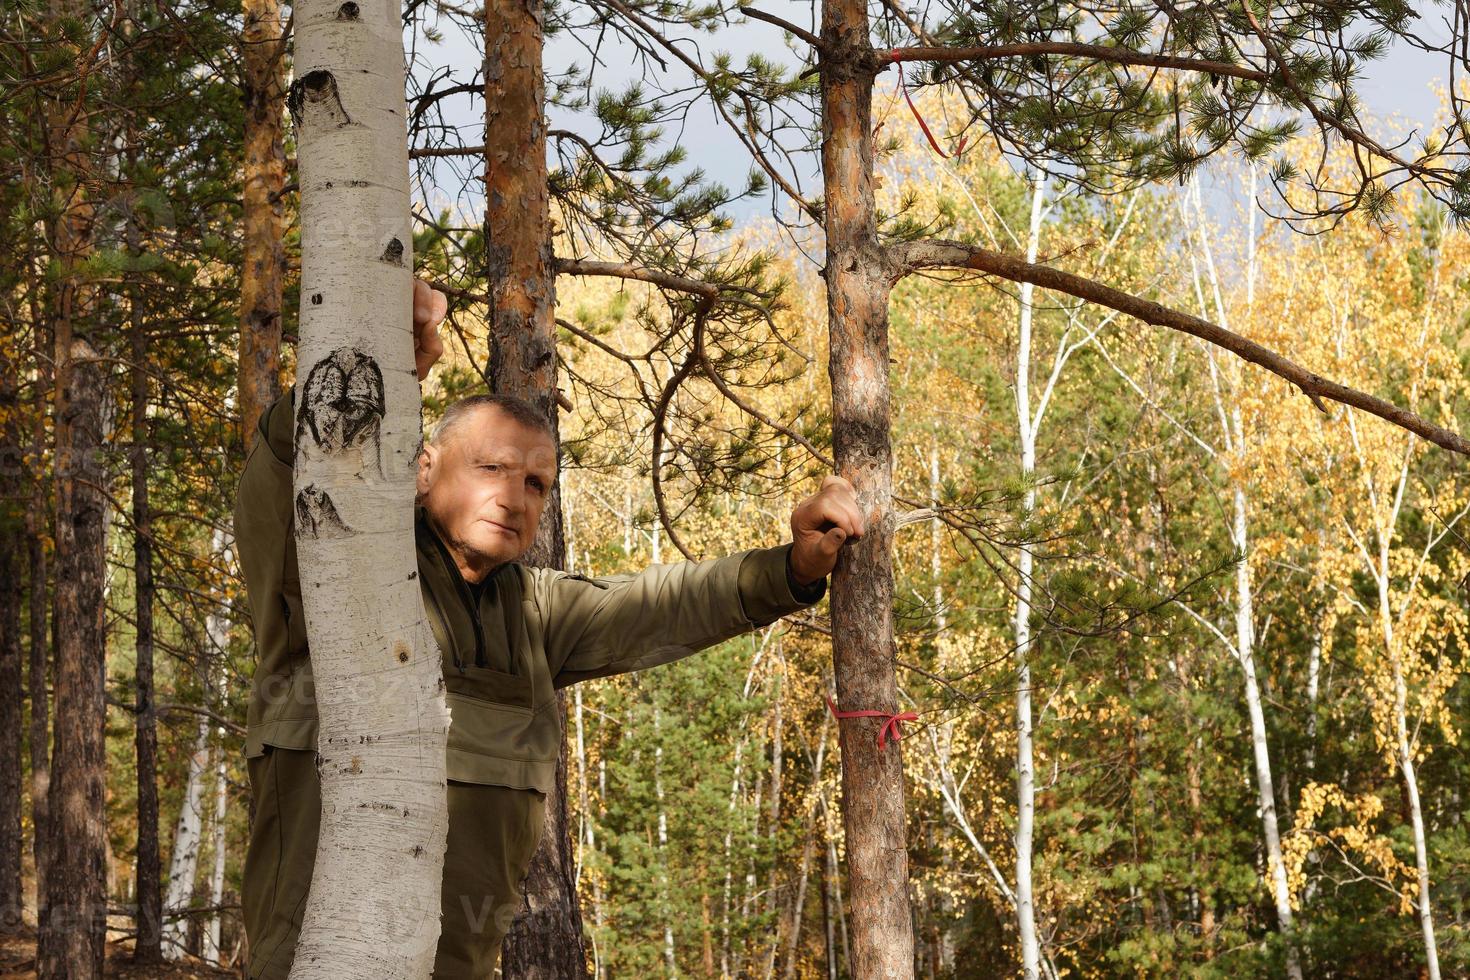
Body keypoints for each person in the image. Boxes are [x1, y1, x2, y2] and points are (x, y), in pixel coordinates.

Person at [235, 278, 866, 978]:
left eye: (536, 484)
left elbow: (668, 601)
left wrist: (797, 568)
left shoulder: (537, 614)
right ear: (423, 468)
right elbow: (282, 475)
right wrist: (374, 361)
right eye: (493, 468)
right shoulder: (337, 568)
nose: (515, 497)